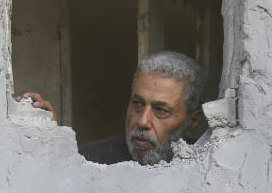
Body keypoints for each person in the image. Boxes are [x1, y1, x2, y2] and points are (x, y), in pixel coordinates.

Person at [16, 51, 206, 165]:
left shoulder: (209, 169)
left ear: (193, 121)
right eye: (137, 104)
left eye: (161, 110)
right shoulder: (90, 160)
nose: (142, 121)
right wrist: (49, 147)